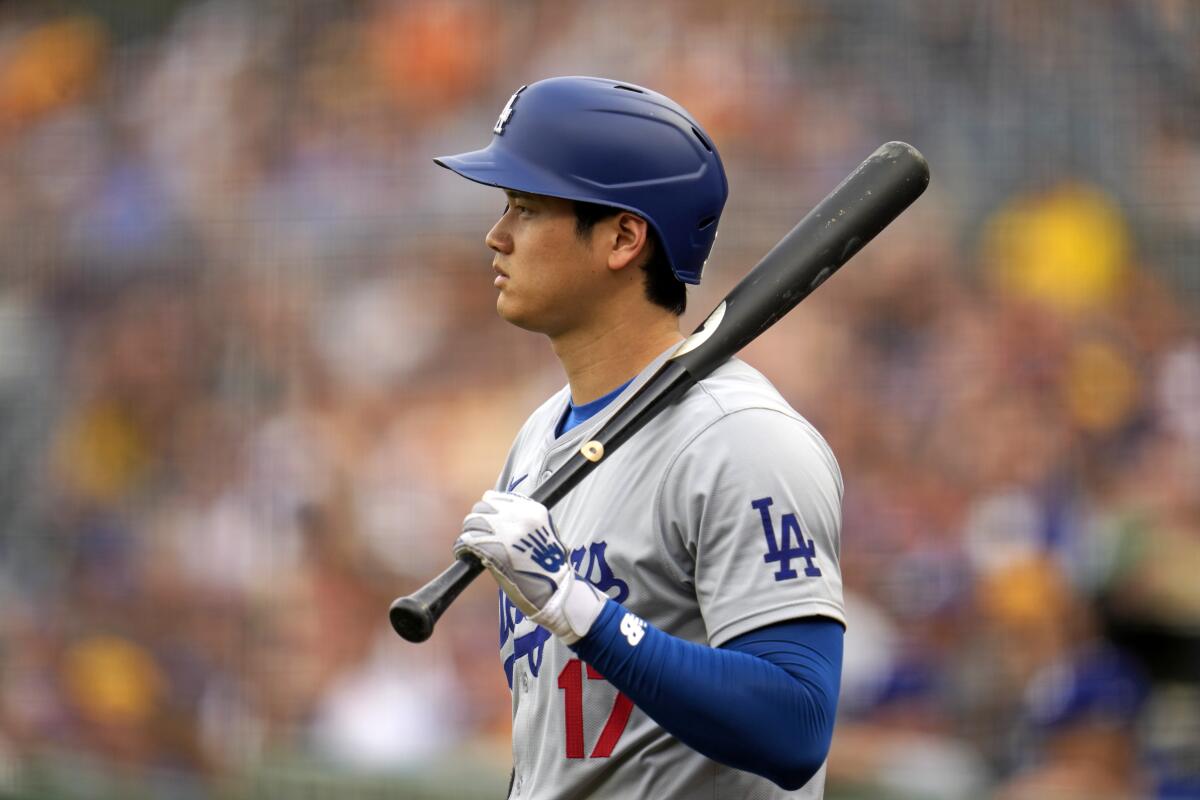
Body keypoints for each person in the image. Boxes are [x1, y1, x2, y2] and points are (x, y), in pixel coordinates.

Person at [439, 76, 846, 799]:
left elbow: (796, 724)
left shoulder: (739, 438)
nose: (496, 235)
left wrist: (578, 608)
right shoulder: (539, 435)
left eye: (527, 208)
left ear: (624, 238)